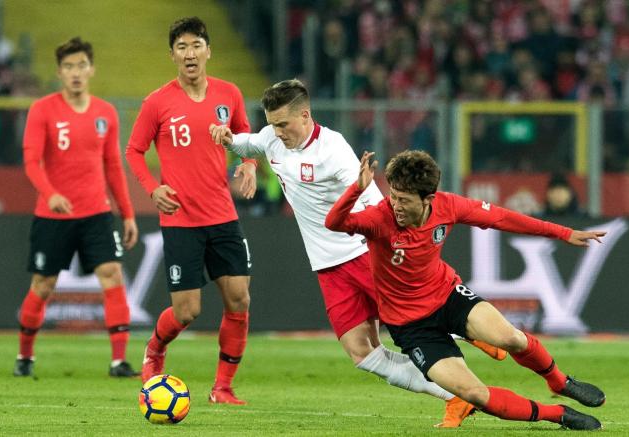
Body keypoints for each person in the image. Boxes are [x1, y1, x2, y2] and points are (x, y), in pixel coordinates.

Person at [210, 79, 506, 427]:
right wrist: (228, 138)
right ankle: (454, 393)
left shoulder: (332, 150)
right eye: (273, 124)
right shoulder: (272, 138)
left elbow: (371, 201)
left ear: (305, 115)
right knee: (362, 353)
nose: (277, 132)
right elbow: (249, 143)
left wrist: (394, 243)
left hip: (361, 255)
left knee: (417, 321)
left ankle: (470, 331)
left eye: (283, 124)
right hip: (328, 267)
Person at [325, 149, 606, 430]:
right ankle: (557, 413)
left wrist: (564, 233)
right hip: (411, 327)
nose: (395, 205)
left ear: (428, 199)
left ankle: (559, 381)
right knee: (474, 394)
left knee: (511, 338)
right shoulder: (378, 218)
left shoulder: (447, 206)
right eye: (393, 196)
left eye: (404, 200)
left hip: (448, 297)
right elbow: (334, 222)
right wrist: (357, 189)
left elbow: (501, 218)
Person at [125, 17, 257, 405]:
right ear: (172, 55)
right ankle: (155, 349)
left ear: (208, 51)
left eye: (196, 45)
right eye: (181, 47)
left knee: (239, 300)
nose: (190, 53)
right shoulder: (157, 102)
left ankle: (222, 388)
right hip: (181, 220)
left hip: (223, 216)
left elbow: (246, 136)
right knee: (186, 311)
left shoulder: (229, 94)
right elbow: (133, 151)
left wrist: (248, 164)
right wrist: (153, 188)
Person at [15, 37, 139, 378]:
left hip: (97, 213)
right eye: (68, 66)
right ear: (59, 72)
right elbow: (31, 161)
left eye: (81, 65)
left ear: (91, 69)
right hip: (53, 215)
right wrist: (50, 193)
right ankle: (25, 355)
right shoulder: (43, 109)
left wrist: (127, 213)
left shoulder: (106, 113)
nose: (75, 72)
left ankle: (119, 361)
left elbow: (113, 166)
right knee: (43, 284)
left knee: (112, 274)